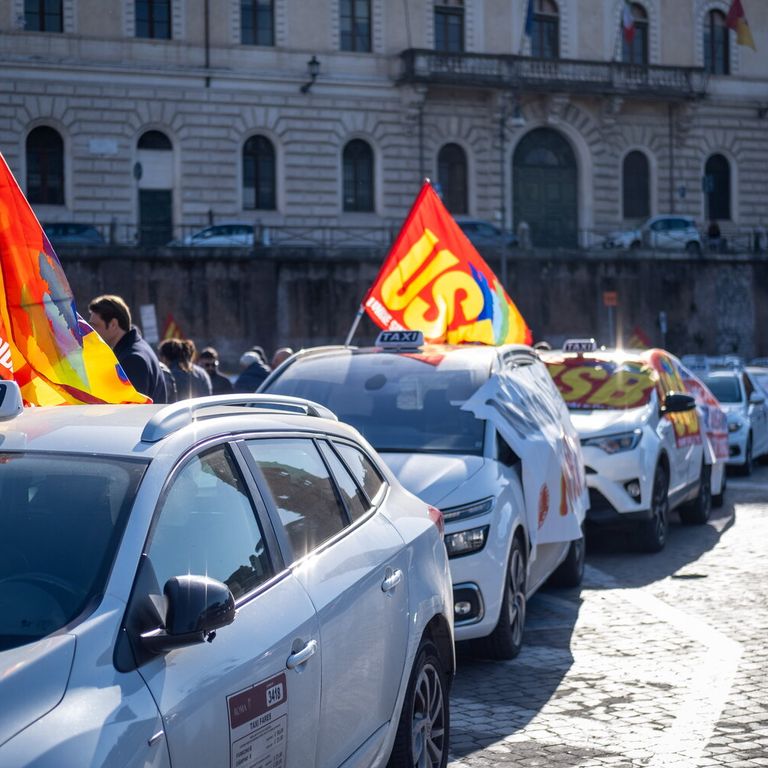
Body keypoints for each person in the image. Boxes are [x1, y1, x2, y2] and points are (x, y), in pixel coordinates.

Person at [88, 294, 168, 403]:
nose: (91, 331)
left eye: (95, 326)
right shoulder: (135, 349)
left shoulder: (132, 359)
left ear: (113, 324)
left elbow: (130, 412)